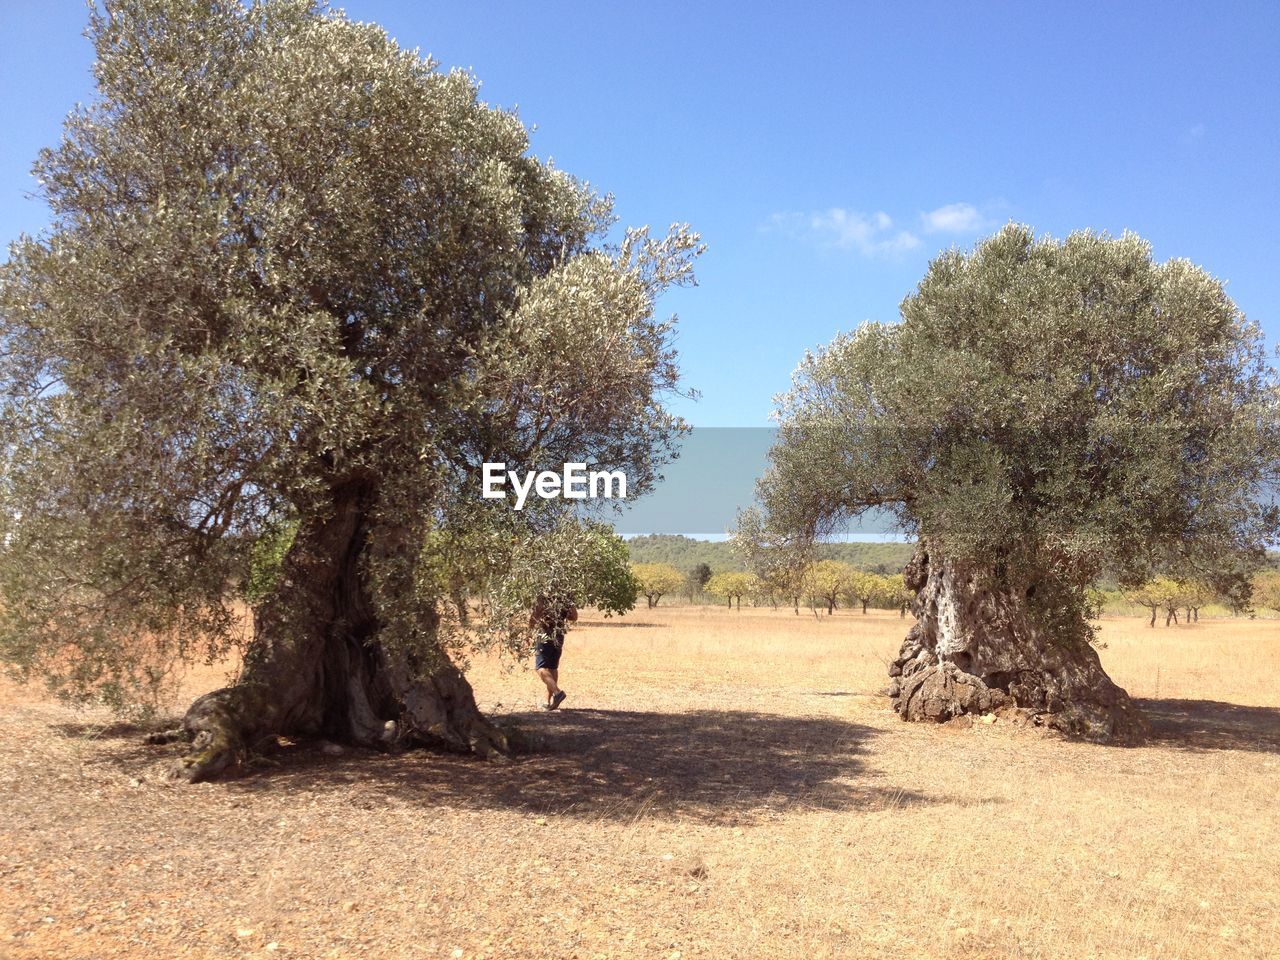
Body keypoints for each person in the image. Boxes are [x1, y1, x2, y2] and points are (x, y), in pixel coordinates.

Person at [531, 594, 577, 710]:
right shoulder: (565, 596)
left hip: (545, 634)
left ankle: (557, 693)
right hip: (559, 635)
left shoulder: (544, 595)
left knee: (540, 668)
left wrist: (530, 628)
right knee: (552, 668)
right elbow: (574, 616)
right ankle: (547, 701)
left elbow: (537, 613)